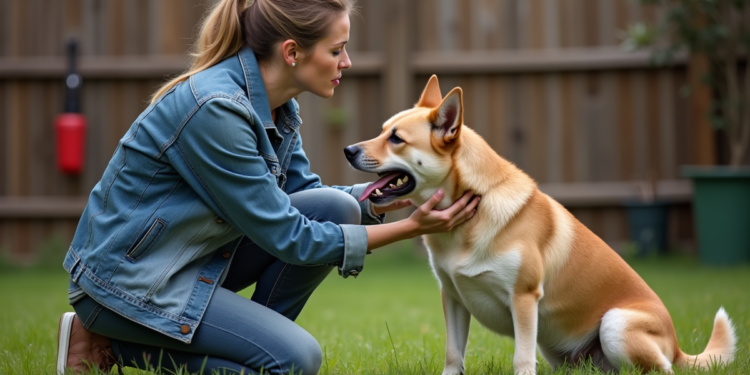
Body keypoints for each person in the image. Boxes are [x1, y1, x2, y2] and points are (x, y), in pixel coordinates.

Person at [55, 0, 480, 374]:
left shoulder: (278, 105)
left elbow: (308, 199)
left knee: (338, 208)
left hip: (186, 260)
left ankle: (251, 348)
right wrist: (413, 228)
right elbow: (288, 235)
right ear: (292, 52)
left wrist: (381, 201)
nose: (346, 62)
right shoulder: (217, 110)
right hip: (126, 282)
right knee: (297, 361)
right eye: (337, 50)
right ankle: (109, 343)